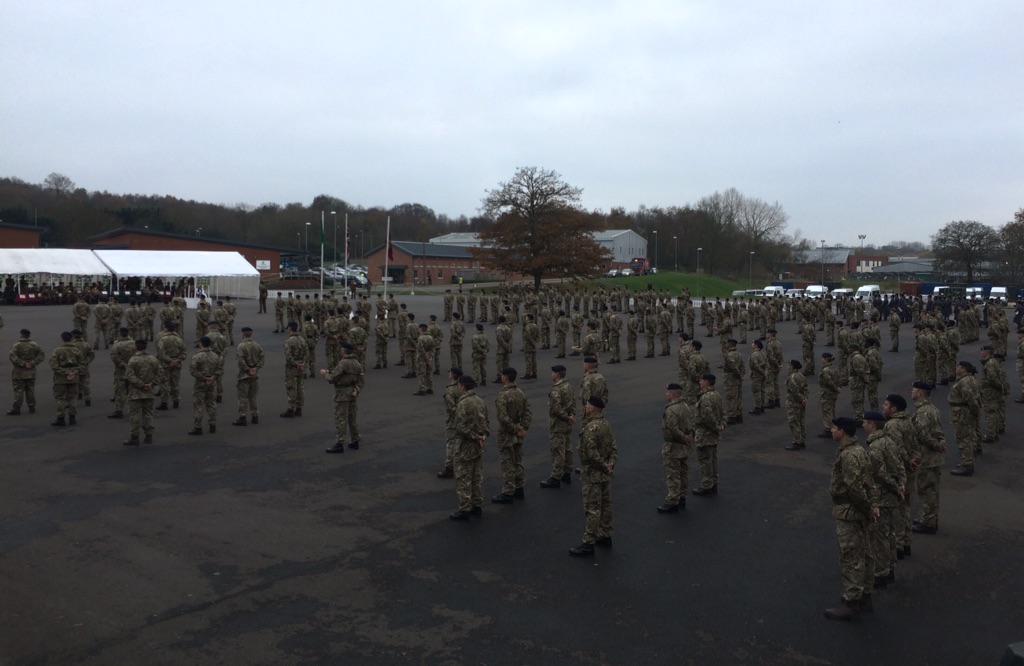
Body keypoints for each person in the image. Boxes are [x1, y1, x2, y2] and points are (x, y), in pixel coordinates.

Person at [824, 417, 879, 621]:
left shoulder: (849, 455)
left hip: (850, 511)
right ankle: (864, 596)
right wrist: (872, 506)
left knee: (851, 555)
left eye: (834, 428)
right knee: (864, 553)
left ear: (843, 432)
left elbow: (855, 489)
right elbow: (869, 482)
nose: (831, 430)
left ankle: (851, 601)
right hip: (858, 510)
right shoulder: (859, 450)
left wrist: (867, 508)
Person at [862, 411, 905, 591]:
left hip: (882, 495)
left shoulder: (875, 447)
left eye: (865, 422)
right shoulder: (889, 441)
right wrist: (901, 484)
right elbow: (899, 464)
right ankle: (890, 567)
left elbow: (879, 473)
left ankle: (881, 572)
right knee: (889, 533)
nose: (863, 425)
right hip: (891, 495)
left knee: (879, 536)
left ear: (872, 424)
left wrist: (895, 486)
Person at [569, 396, 617, 557]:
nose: (585, 407)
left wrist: (604, 466)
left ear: (592, 408)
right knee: (606, 505)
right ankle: (605, 534)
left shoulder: (590, 428)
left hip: (593, 474)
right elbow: (613, 447)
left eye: (587, 405)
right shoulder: (606, 424)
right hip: (604, 474)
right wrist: (610, 465)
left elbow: (591, 454)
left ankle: (588, 542)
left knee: (592, 508)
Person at [450, 375, 490, 521]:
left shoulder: (463, 403)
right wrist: (483, 436)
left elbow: (460, 427)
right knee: (476, 476)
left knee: (463, 478)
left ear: (462, 386)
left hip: (465, 446)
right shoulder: (480, 401)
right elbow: (486, 422)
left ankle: (465, 508)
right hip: (478, 446)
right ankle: (477, 505)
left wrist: (475, 436)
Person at [492, 367, 532, 504]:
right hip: (519, 432)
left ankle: (508, 492)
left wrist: (515, 429)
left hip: (507, 434)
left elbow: (502, 417)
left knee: (507, 462)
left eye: (502, 375)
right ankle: (519, 488)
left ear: (505, 377)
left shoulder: (503, 395)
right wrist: (523, 428)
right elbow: (528, 412)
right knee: (518, 461)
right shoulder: (520, 392)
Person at [910, 381, 945, 535]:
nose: (912, 392)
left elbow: (922, 435)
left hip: (928, 456)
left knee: (927, 490)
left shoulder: (923, 411)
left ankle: (929, 523)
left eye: (914, 390)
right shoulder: (931, 408)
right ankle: (927, 518)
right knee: (928, 489)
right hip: (931, 457)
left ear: (920, 392)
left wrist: (938, 445)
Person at [657, 383, 693, 513]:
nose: (666, 394)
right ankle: (682, 497)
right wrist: (688, 438)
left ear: (672, 394)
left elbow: (673, 429)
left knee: (673, 474)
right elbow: (689, 424)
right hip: (683, 446)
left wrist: (684, 437)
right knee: (683, 473)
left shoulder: (671, 410)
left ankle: (673, 501)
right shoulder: (685, 406)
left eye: (667, 392)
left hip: (673, 446)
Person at [323, 343, 364, 452]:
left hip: (342, 393)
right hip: (352, 393)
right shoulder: (357, 363)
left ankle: (340, 443)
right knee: (352, 418)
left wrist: (325, 374)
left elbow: (332, 378)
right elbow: (361, 381)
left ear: (344, 351)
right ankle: (355, 440)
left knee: (341, 418)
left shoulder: (343, 363)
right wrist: (356, 390)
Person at [541, 364, 576, 488]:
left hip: (559, 423)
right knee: (567, 447)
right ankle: (567, 472)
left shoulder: (556, 389)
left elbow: (556, 409)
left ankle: (556, 477)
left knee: (558, 450)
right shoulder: (568, 386)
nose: (551, 375)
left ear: (557, 374)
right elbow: (573, 403)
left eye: (552, 373)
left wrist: (566, 417)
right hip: (567, 422)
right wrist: (571, 416)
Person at [122, 339, 161, 446]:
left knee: (134, 415)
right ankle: (149, 436)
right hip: (149, 392)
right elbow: (160, 374)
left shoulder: (133, 360)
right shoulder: (153, 359)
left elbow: (129, 376)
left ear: (136, 346)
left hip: (136, 392)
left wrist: (141, 385)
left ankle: (134, 437)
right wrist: (151, 384)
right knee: (148, 414)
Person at [693, 373, 725, 496]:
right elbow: (722, 412)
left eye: (702, 380)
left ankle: (707, 485)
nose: (700, 382)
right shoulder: (716, 394)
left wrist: (716, 427)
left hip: (705, 434)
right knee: (712, 460)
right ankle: (713, 483)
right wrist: (722, 424)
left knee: (705, 460)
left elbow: (708, 417)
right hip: (713, 434)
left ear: (707, 382)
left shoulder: (705, 397)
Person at [949, 361, 981, 476]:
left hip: (962, 413)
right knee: (968, 436)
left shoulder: (964, 382)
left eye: (959, 367)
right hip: (965, 411)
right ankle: (966, 461)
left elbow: (970, 399)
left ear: (963, 369)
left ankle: (967, 465)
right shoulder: (970, 378)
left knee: (964, 438)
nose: (956, 368)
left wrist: (974, 411)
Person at [8, 328, 45, 416]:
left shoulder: (16, 345)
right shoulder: (35, 345)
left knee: (19, 390)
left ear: (21, 334)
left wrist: (23, 363)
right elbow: (41, 355)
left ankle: (17, 408)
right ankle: (31, 407)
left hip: (19, 372)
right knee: (30, 389)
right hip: (31, 371)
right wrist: (32, 363)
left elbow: (12, 357)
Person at [188, 336, 220, 435]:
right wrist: (213, 378)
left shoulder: (197, 356)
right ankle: (212, 424)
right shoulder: (215, 355)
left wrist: (204, 378)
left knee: (198, 405)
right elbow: (220, 370)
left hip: (200, 383)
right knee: (211, 404)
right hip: (212, 382)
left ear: (201, 344)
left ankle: (198, 427)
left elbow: (193, 371)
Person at [232, 327, 264, 426]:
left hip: (244, 375)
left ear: (243, 334)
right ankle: (255, 416)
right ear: (251, 334)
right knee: (253, 397)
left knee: (243, 397)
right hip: (254, 375)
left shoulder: (241, 346)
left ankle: (243, 417)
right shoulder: (257, 345)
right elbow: (262, 358)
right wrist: (256, 368)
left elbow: (241, 360)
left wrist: (247, 369)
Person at [50, 331, 82, 427]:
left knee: (60, 398)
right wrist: (73, 372)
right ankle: (72, 418)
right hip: (74, 378)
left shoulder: (57, 350)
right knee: (72, 398)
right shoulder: (77, 350)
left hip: (61, 378)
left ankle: (61, 418)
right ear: (71, 338)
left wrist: (65, 372)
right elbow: (83, 364)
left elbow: (54, 366)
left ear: (62, 338)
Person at [437, 367, 463, 478]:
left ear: (453, 375)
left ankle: (449, 468)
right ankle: (460, 465)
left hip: (454, 420)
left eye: (450, 372)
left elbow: (452, 408)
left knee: (451, 443)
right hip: (464, 419)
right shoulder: (462, 387)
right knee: (461, 442)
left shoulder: (450, 390)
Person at [979, 345, 1008, 443]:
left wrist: (999, 387)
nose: (980, 353)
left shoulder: (990, 363)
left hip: (990, 391)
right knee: (996, 410)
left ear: (986, 352)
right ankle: (998, 428)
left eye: (982, 351)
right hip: (994, 391)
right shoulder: (993, 361)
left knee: (990, 412)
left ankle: (991, 434)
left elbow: (992, 378)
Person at [156, 322, 186, 410]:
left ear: (166, 328)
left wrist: (170, 361)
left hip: (165, 364)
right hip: (177, 364)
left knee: (165, 383)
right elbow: (184, 352)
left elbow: (161, 354)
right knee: (175, 383)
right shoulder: (179, 339)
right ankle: (176, 400)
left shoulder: (162, 339)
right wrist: (177, 360)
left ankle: (164, 403)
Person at [108, 327, 135, 419]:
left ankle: (119, 410)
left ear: (120, 333)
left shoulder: (117, 344)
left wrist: (122, 364)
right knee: (132, 389)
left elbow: (114, 357)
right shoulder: (134, 343)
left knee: (120, 391)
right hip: (133, 369)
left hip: (121, 370)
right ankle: (133, 409)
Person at [282, 322, 307, 418]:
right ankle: (299, 408)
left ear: (290, 329)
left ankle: (291, 409)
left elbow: (288, 356)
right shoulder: (302, 339)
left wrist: (296, 364)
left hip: (292, 368)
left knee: (291, 387)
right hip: (301, 366)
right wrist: (302, 363)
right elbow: (306, 353)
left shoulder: (289, 341)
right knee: (300, 387)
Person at [785, 359, 808, 450]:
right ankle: (802, 440)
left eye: (789, 365)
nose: (788, 367)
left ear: (793, 367)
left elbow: (794, 391)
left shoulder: (792, 377)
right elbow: (806, 389)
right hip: (801, 403)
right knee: (801, 421)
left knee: (794, 422)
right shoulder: (802, 376)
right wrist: (805, 399)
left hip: (794, 403)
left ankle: (797, 442)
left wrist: (802, 399)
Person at [723, 339, 745, 424]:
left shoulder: (729, 355)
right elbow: (742, 366)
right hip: (737, 379)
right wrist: (741, 375)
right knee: (738, 397)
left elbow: (733, 367)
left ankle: (732, 416)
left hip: (731, 379)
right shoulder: (738, 354)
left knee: (731, 398)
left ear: (730, 345)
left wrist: (739, 374)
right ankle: (739, 415)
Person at [818, 352, 839, 438]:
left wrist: (835, 388)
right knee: (831, 410)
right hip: (832, 394)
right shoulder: (834, 368)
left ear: (825, 359)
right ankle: (832, 427)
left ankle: (829, 429)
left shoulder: (825, 370)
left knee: (827, 411)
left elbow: (829, 382)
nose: (821, 360)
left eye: (822, 358)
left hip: (827, 393)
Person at [71, 329, 94, 407]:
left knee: (74, 384)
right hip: (84, 367)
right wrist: (86, 362)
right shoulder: (86, 344)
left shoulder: (72, 345)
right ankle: (87, 399)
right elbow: (91, 355)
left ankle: (74, 400)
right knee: (85, 383)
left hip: (74, 367)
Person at [413, 323, 436, 396]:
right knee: (429, 374)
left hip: (421, 359)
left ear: (421, 329)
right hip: (429, 358)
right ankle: (430, 388)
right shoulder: (430, 337)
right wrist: (430, 357)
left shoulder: (420, 338)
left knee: (421, 374)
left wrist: (425, 357)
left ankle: (422, 389)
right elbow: (433, 348)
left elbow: (421, 349)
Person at [748, 339, 766, 416]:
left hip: (757, 375)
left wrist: (761, 372)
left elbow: (755, 366)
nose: (752, 344)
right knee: (762, 391)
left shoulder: (754, 354)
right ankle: (762, 406)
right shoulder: (763, 353)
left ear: (756, 345)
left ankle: (757, 407)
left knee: (756, 392)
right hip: (762, 374)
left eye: (753, 343)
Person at [494, 316, 512, 383]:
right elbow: (510, 338)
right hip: (507, 347)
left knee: (499, 364)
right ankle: (507, 377)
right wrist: (508, 347)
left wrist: (505, 346)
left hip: (501, 348)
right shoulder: (508, 328)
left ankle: (500, 377)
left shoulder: (499, 328)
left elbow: (500, 339)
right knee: (506, 363)